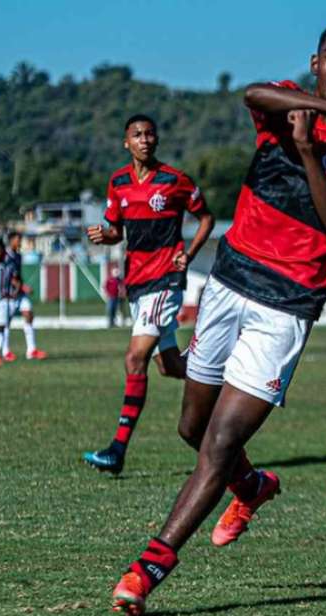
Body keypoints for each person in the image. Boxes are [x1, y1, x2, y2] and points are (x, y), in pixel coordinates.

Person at [109, 23, 326, 616]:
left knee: (220, 441)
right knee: (190, 428)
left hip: (286, 307)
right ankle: (253, 487)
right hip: (229, 285)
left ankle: (149, 567)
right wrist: (314, 113)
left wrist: (312, 150)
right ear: (316, 63)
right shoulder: (287, 99)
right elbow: (255, 94)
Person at [82, 114, 214, 474]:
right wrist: (103, 235)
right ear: (126, 142)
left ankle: (117, 450)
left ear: (156, 140)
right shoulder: (118, 183)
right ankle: (224, 381)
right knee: (170, 366)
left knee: (134, 358)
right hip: (137, 284)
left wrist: (189, 253)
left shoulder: (175, 180)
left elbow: (206, 218)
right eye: (137, 135)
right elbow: (115, 231)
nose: (144, 139)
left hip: (165, 280)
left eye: (149, 134)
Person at [2, 232, 47, 361]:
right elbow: (6, 276)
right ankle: (5, 352)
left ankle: (31, 350)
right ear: (11, 241)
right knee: (5, 323)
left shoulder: (18, 256)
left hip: (19, 294)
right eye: (18, 240)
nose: (20, 242)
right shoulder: (4, 256)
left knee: (28, 314)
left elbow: (16, 275)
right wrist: (22, 287)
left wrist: (21, 287)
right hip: (8, 294)